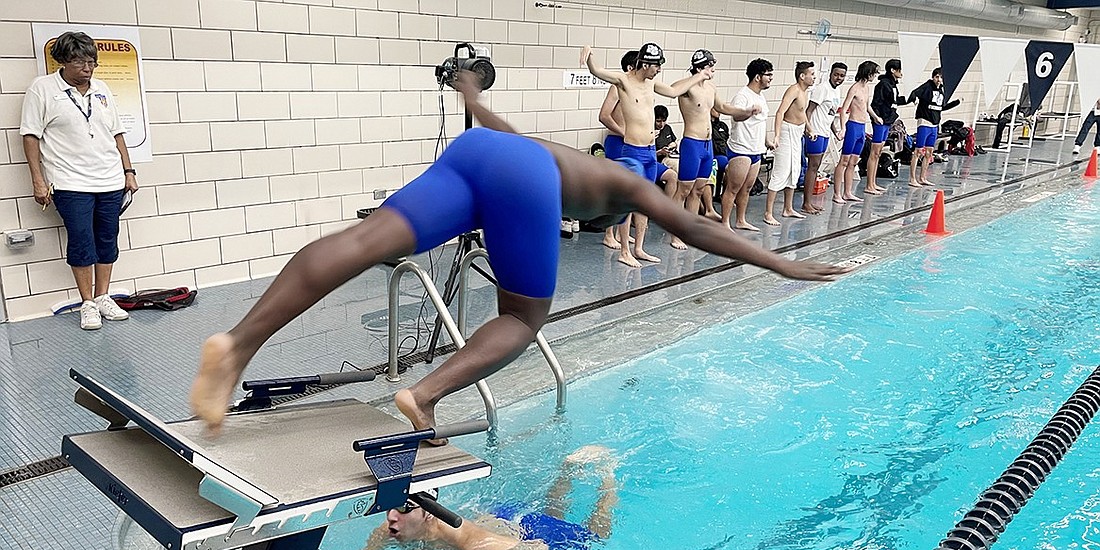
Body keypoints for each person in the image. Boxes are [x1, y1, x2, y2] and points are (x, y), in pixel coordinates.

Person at [189, 70, 847, 438]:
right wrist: (782, 263)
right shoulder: (627, 182)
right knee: (523, 317)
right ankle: (424, 396)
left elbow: (502, 131)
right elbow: (701, 230)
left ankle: (238, 342)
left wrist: (472, 95)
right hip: (520, 177)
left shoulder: (578, 160)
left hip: (477, 155)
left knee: (362, 243)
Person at [327, 446, 620, 550]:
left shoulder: (474, 546)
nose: (391, 518)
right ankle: (567, 470)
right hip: (499, 518)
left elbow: (538, 549)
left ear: (429, 512)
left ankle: (608, 473)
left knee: (596, 537)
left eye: (403, 509)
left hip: (518, 530)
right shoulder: (392, 526)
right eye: (390, 508)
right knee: (553, 512)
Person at [20, 31, 138, 331]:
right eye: (79, 61)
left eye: (91, 61)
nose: (87, 68)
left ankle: (103, 297)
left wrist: (129, 171)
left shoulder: (101, 89)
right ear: (62, 60)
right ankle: (87, 303)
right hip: (70, 183)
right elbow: (31, 135)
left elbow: (117, 133)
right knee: (82, 241)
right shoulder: (42, 89)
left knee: (108, 239)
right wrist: (38, 180)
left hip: (110, 180)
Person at [584, 43, 711, 267]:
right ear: (645, 64)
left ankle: (639, 248)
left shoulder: (651, 83)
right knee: (629, 202)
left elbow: (673, 92)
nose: (659, 70)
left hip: (651, 151)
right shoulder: (623, 82)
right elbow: (597, 72)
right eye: (657, 66)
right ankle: (625, 251)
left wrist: (699, 75)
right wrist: (589, 56)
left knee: (645, 201)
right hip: (632, 150)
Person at [675, 49, 757, 234]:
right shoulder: (687, 88)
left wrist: (746, 112)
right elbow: (673, 90)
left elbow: (723, 107)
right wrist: (696, 76)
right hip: (692, 144)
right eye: (711, 67)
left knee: (698, 190)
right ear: (702, 67)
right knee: (683, 191)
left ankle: (689, 229)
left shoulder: (711, 89)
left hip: (707, 145)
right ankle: (675, 232)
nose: (714, 71)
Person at [720, 58, 773, 232]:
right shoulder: (742, 95)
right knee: (733, 188)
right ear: (758, 77)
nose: (771, 78)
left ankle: (741, 220)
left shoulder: (760, 96)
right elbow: (736, 116)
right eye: (768, 75)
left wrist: (766, 141)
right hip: (741, 148)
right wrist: (749, 112)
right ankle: (725, 222)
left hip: (756, 149)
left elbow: (762, 122)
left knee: (747, 188)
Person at [764, 61, 816, 226]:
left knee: (795, 170)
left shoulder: (805, 92)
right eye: (812, 74)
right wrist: (777, 135)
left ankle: (788, 208)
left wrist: (809, 128)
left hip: (798, 132)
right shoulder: (793, 90)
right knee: (781, 170)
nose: (814, 77)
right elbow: (780, 112)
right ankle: (768, 213)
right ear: (802, 76)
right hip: (787, 132)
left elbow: (802, 113)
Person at [598, 50, 639, 250]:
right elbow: (604, 116)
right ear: (631, 68)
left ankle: (621, 232)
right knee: (616, 190)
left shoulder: (636, 89)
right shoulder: (617, 87)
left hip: (630, 144)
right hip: (617, 142)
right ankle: (609, 234)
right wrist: (623, 132)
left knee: (629, 191)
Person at [833, 60, 881, 204]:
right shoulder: (854, 88)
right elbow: (843, 110)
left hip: (862, 127)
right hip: (853, 126)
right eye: (874, 73)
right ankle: (837, 194)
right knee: (844, 161)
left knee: (854, 162)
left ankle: (848, 192)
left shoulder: (867, 88)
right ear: (868, 73)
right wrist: (843, 128)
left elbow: (867, 107)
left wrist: (876, 117)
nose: (875, 76)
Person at [803, 62, 847, 214]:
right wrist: (808, 129)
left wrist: (835, 131)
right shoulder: (822, 89)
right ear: (830, 74)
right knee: (812, 167)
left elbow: (829, 114)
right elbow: (808, 111)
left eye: (842, 76)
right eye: (836, 74)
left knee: (817, 168)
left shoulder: (836, 91)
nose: (838, 78)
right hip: (815, 132)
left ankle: (809, 202)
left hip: (825, 133)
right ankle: (806, 203)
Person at [907, 67, 961, 187]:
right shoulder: (927, 87)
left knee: (929, 151)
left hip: (934, 124)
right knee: (918, 151)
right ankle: (912, 178)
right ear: (933, 77)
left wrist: (955, 103)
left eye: (941, 77)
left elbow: (941, 107)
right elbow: (914, 93)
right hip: (925, 122)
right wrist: (914, 99)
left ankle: (922, 177)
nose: (939, 80)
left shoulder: (942, 90)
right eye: (937, 77)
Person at [866, 59, 909, 195]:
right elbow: (876, 103)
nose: (901, 73)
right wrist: (877, 118)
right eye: (899, 70)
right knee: (874, 152)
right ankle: (869, 185)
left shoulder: (893, 85)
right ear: (893, 70)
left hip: (887, 121)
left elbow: (894, 101)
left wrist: (910, 98)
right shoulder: (883, 84)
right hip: (881, 121)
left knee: (878, 152)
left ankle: (873, 182)